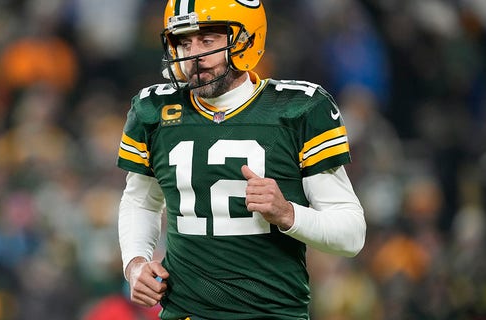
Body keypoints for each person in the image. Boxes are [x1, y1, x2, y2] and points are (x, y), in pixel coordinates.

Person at [116, 0, 366, 318]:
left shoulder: (299, 109)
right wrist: (135, 261)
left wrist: (288, 214)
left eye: (207, 40)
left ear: (246, 39)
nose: (194, 55)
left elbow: (351, 235)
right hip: (186, 312)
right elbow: (141, 201)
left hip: (272, 314)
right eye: (184, 41)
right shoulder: (153, 110)